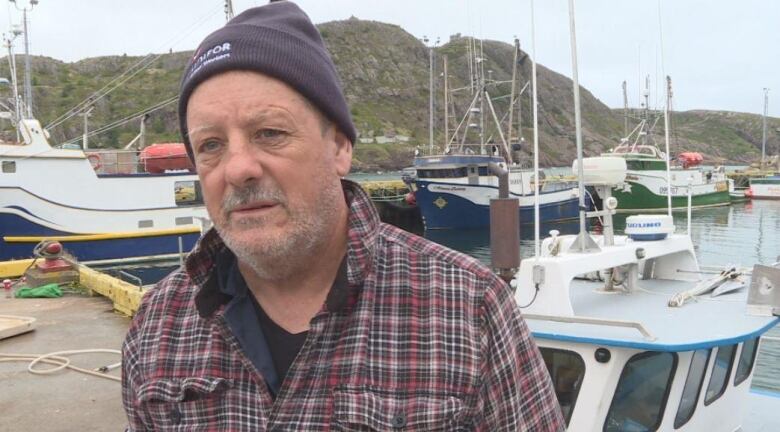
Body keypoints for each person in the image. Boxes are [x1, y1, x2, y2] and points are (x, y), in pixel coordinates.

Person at [122, 1, 565, 430]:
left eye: (270, 133)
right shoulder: (159, 322)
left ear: (338, 147)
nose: (237, 169)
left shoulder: (468, 308)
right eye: (211, 146)